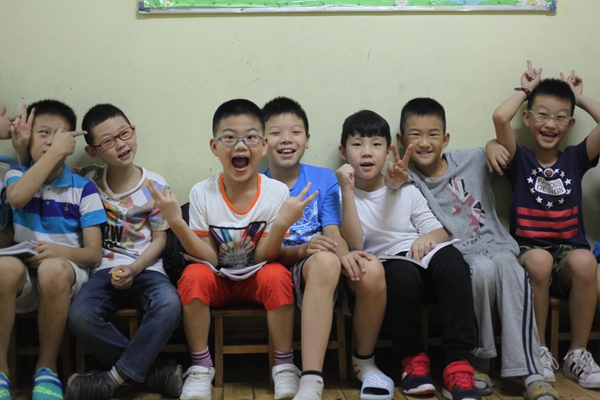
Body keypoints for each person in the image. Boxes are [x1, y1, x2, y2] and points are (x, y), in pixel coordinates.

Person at [389, 97, 558, 400]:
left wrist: (492, 144)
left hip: (498, 245)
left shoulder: (471, 158)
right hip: (460, 256)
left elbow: (508, 150)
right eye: (415, 135)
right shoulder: (406, 178)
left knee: (509, 269)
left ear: (446, 139)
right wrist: (394, 183)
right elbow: (388, 196)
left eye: (433, 134)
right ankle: (476, 364)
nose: (425, 143)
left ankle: (531, 371)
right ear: (402, 140)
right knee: (480, 269)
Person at [148, 99, 317, 400]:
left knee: (278, 275)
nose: (240, 145)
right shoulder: (202, 192)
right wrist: (176, 223)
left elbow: (266, 256)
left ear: (263, 146)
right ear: (214, 147)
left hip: (258, 278)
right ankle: (201, 367)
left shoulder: (276, 191)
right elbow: (209, 257)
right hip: (218, 279)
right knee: (193, 275)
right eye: (229, 137)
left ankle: (284, 366)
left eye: (250, 137)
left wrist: (281, 225)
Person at [336, 109, 480, 400]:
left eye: (376, 144)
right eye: (357, 144)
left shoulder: (406, 189)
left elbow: (440, 232)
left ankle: (458, 362)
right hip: (387, 268)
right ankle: (413, 361)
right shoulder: (340, 194)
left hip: (422, 258)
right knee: (401, 275)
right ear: (343, 152)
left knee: (454, 263)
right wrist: (348, 191)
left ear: (388, 150)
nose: (367, 152)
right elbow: (354, 243)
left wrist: (427, 239)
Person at [262, 97, 391, 400]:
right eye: (276, 133)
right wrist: (309, 251)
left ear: (307, 140)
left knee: (370, 267)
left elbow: (332, 230)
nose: (286, 139)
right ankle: (312, 379)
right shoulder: (258, 184)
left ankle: (364, 362)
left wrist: (344, 255)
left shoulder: (323, 178)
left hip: (321, 259)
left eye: (295, 132)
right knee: (325, 262)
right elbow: (263, 249)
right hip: (282, 264)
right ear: (264, 142)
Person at [490, 60, 600, 388]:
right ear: (527, 118)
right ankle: (536, 351)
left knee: (586, 261)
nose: (550, 123)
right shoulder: (519, 157)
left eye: (560, 117)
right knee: (539, 260)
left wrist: (576, 97)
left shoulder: (574, 158)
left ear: (570, 124)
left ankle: (577, 355)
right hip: (530, 250)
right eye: (542, 114)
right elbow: (500, 117)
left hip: (568, 253)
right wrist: (526, 90)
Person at [64, 104, 183, 400]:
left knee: (170, 304)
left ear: (134, 132)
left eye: (124, 133)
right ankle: (154, 373)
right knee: (79, 316)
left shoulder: (155, 186)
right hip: (103, 271)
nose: (120, 144)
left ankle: (114, 378)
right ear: (93, 151)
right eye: (108, 141)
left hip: (147, 269)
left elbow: (160, 240)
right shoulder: (87, 181)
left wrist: (134, 268)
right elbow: (50, 170)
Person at [0, 100, 106, 399]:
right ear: (28, 139)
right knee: (3, 268)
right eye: (43, 133)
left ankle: (46, 369)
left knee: (52, 269)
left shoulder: (83, 188)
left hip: (64, 279)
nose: (51, 141)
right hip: (23, 277)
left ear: (70, 143)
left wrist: (60, 252)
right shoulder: (16, 175)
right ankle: (1, 371)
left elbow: (94, 254)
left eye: (59, 135)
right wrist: (52, 153)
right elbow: (18, 198)